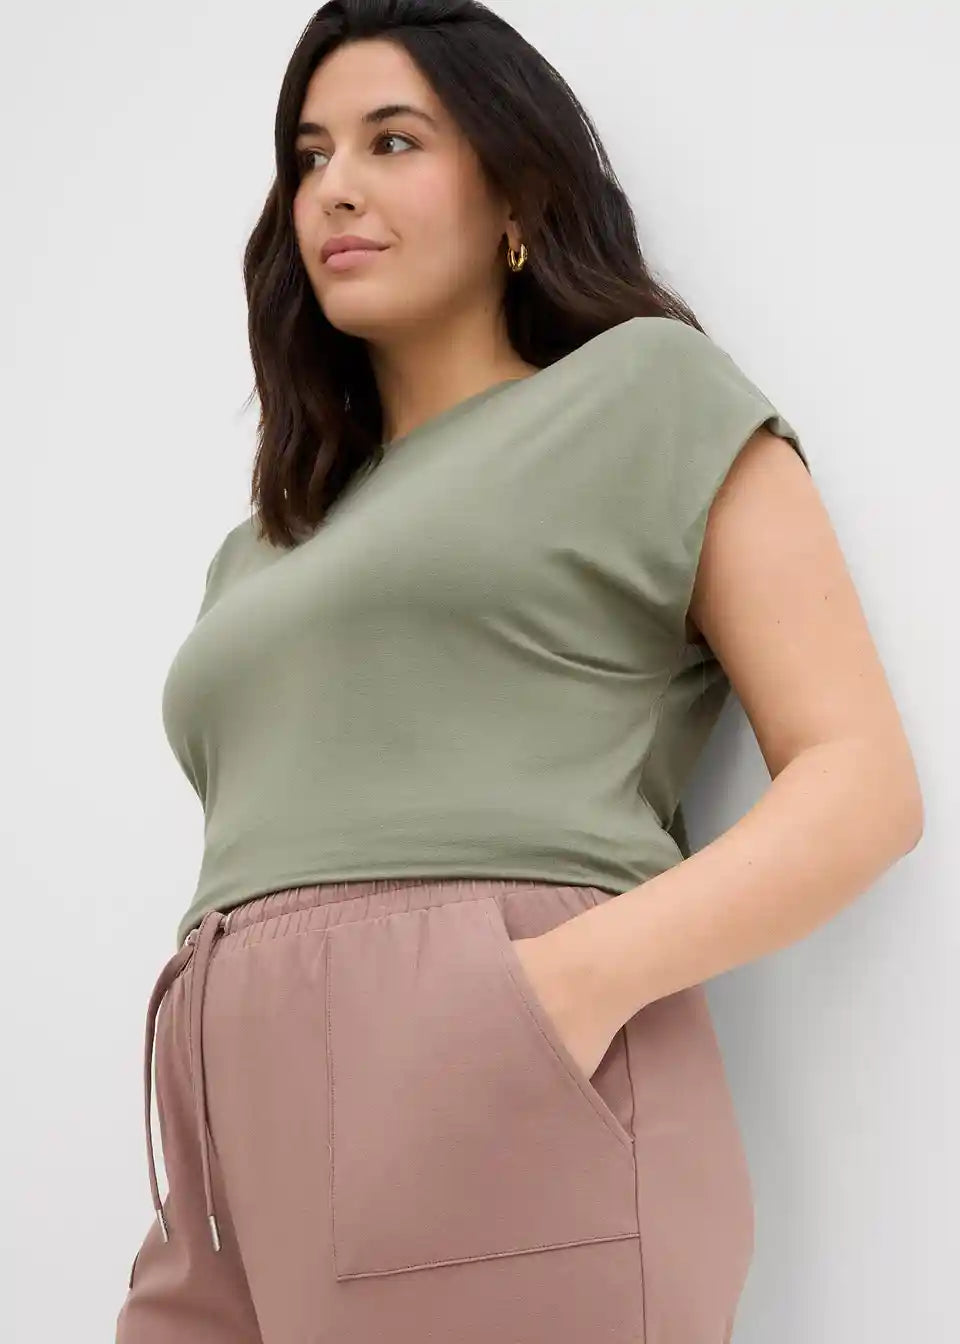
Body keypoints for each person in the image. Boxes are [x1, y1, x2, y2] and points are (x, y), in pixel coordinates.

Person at [114, 3, 923, 1342]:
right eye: (310, 156)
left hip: (497, 1079)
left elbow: (862, 784)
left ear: (515, 196)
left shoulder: (644, 392)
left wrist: (552, 994)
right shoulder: (264, 543)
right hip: (229, 1153)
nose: (336, 187)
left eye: (393, 141)